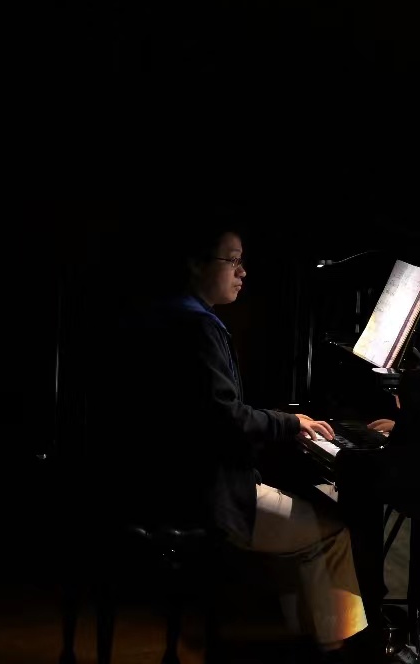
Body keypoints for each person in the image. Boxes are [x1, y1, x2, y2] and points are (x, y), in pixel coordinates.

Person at [111, 216, 371, 661]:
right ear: (196, 264)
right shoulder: (198, 326)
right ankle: (337, 648)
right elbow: (226, 418)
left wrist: (282, 425)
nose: (243, 272)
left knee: (313, 510)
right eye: (232, 261)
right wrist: (291, 423)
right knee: (332, 530)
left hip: (165, 484)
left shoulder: (165, 315)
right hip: (203, 494)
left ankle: (309, 638)